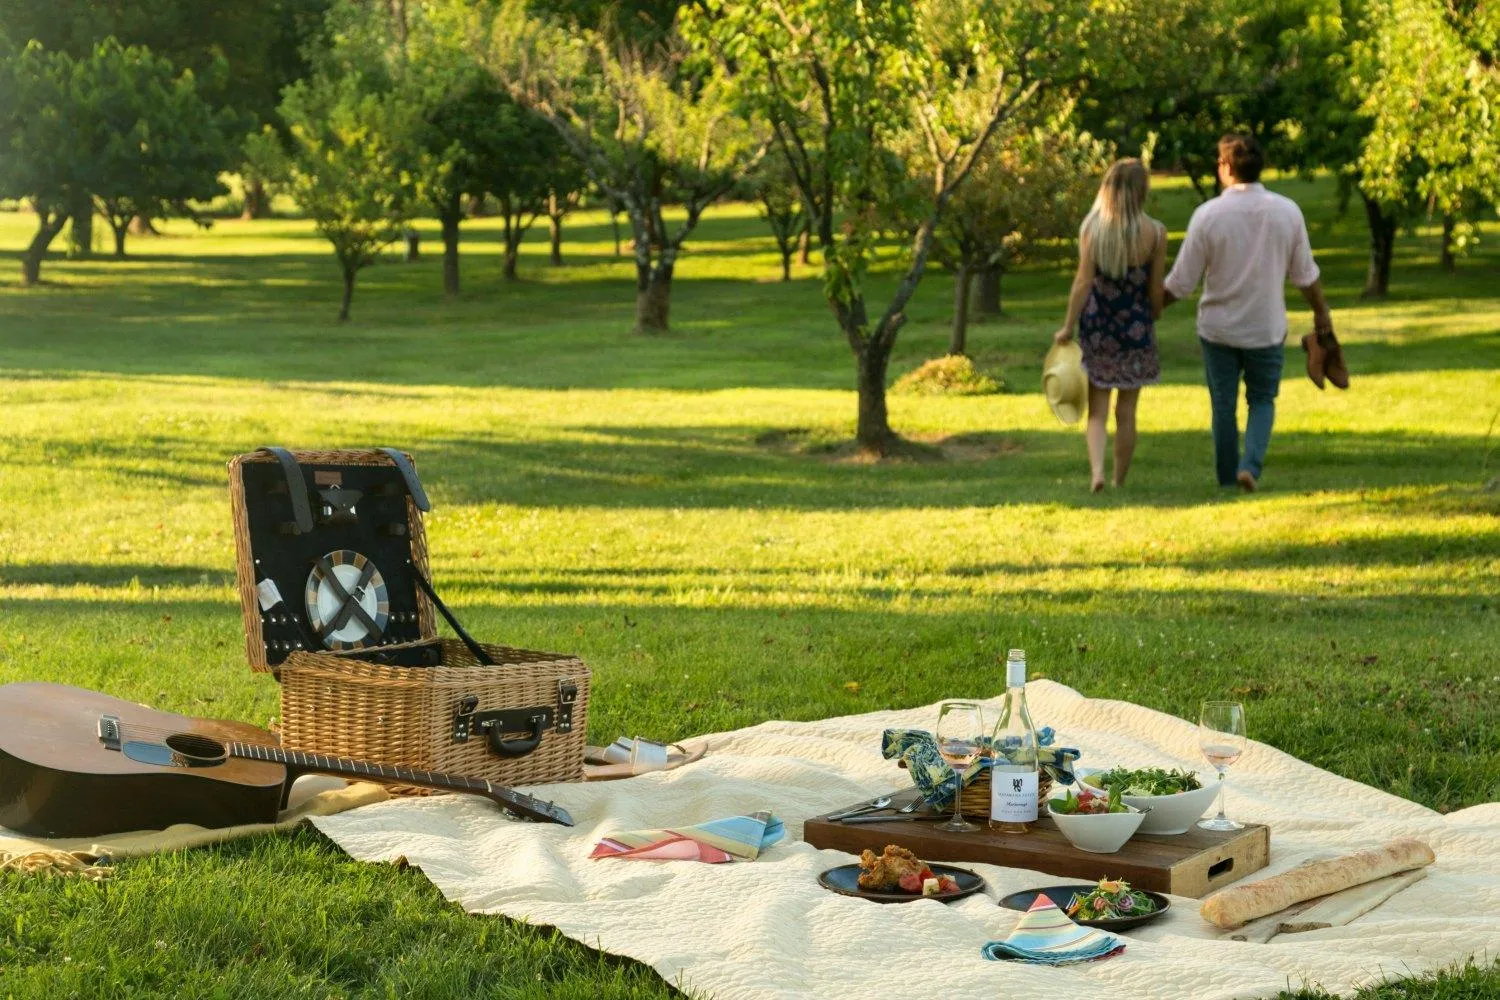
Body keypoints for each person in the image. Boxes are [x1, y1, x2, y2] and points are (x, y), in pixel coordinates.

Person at [1162, 134, 1335, 492]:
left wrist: (1147, 310)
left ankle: (1227, 477)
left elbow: (1180, 282)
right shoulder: (1287, 211)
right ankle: (1250, 467)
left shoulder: (1207, 216)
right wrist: (1321, 313)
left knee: (1222, 405)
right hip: (1265, 327)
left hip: (1218, 329)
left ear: (1226, 168)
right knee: (1262, 399)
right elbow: (1305, 274)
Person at [1053, 158, 1166, 492]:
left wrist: (1067, 326)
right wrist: (1155, 313)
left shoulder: (1093, 229)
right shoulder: (1155, 233)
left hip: (1098, 327)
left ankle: (1097, 473)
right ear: (1142, 190)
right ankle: (1119, 479)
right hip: (1136, 328)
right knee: (1127, 412)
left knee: (1097, 412)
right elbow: (1155, 288)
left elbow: (1082, 282)